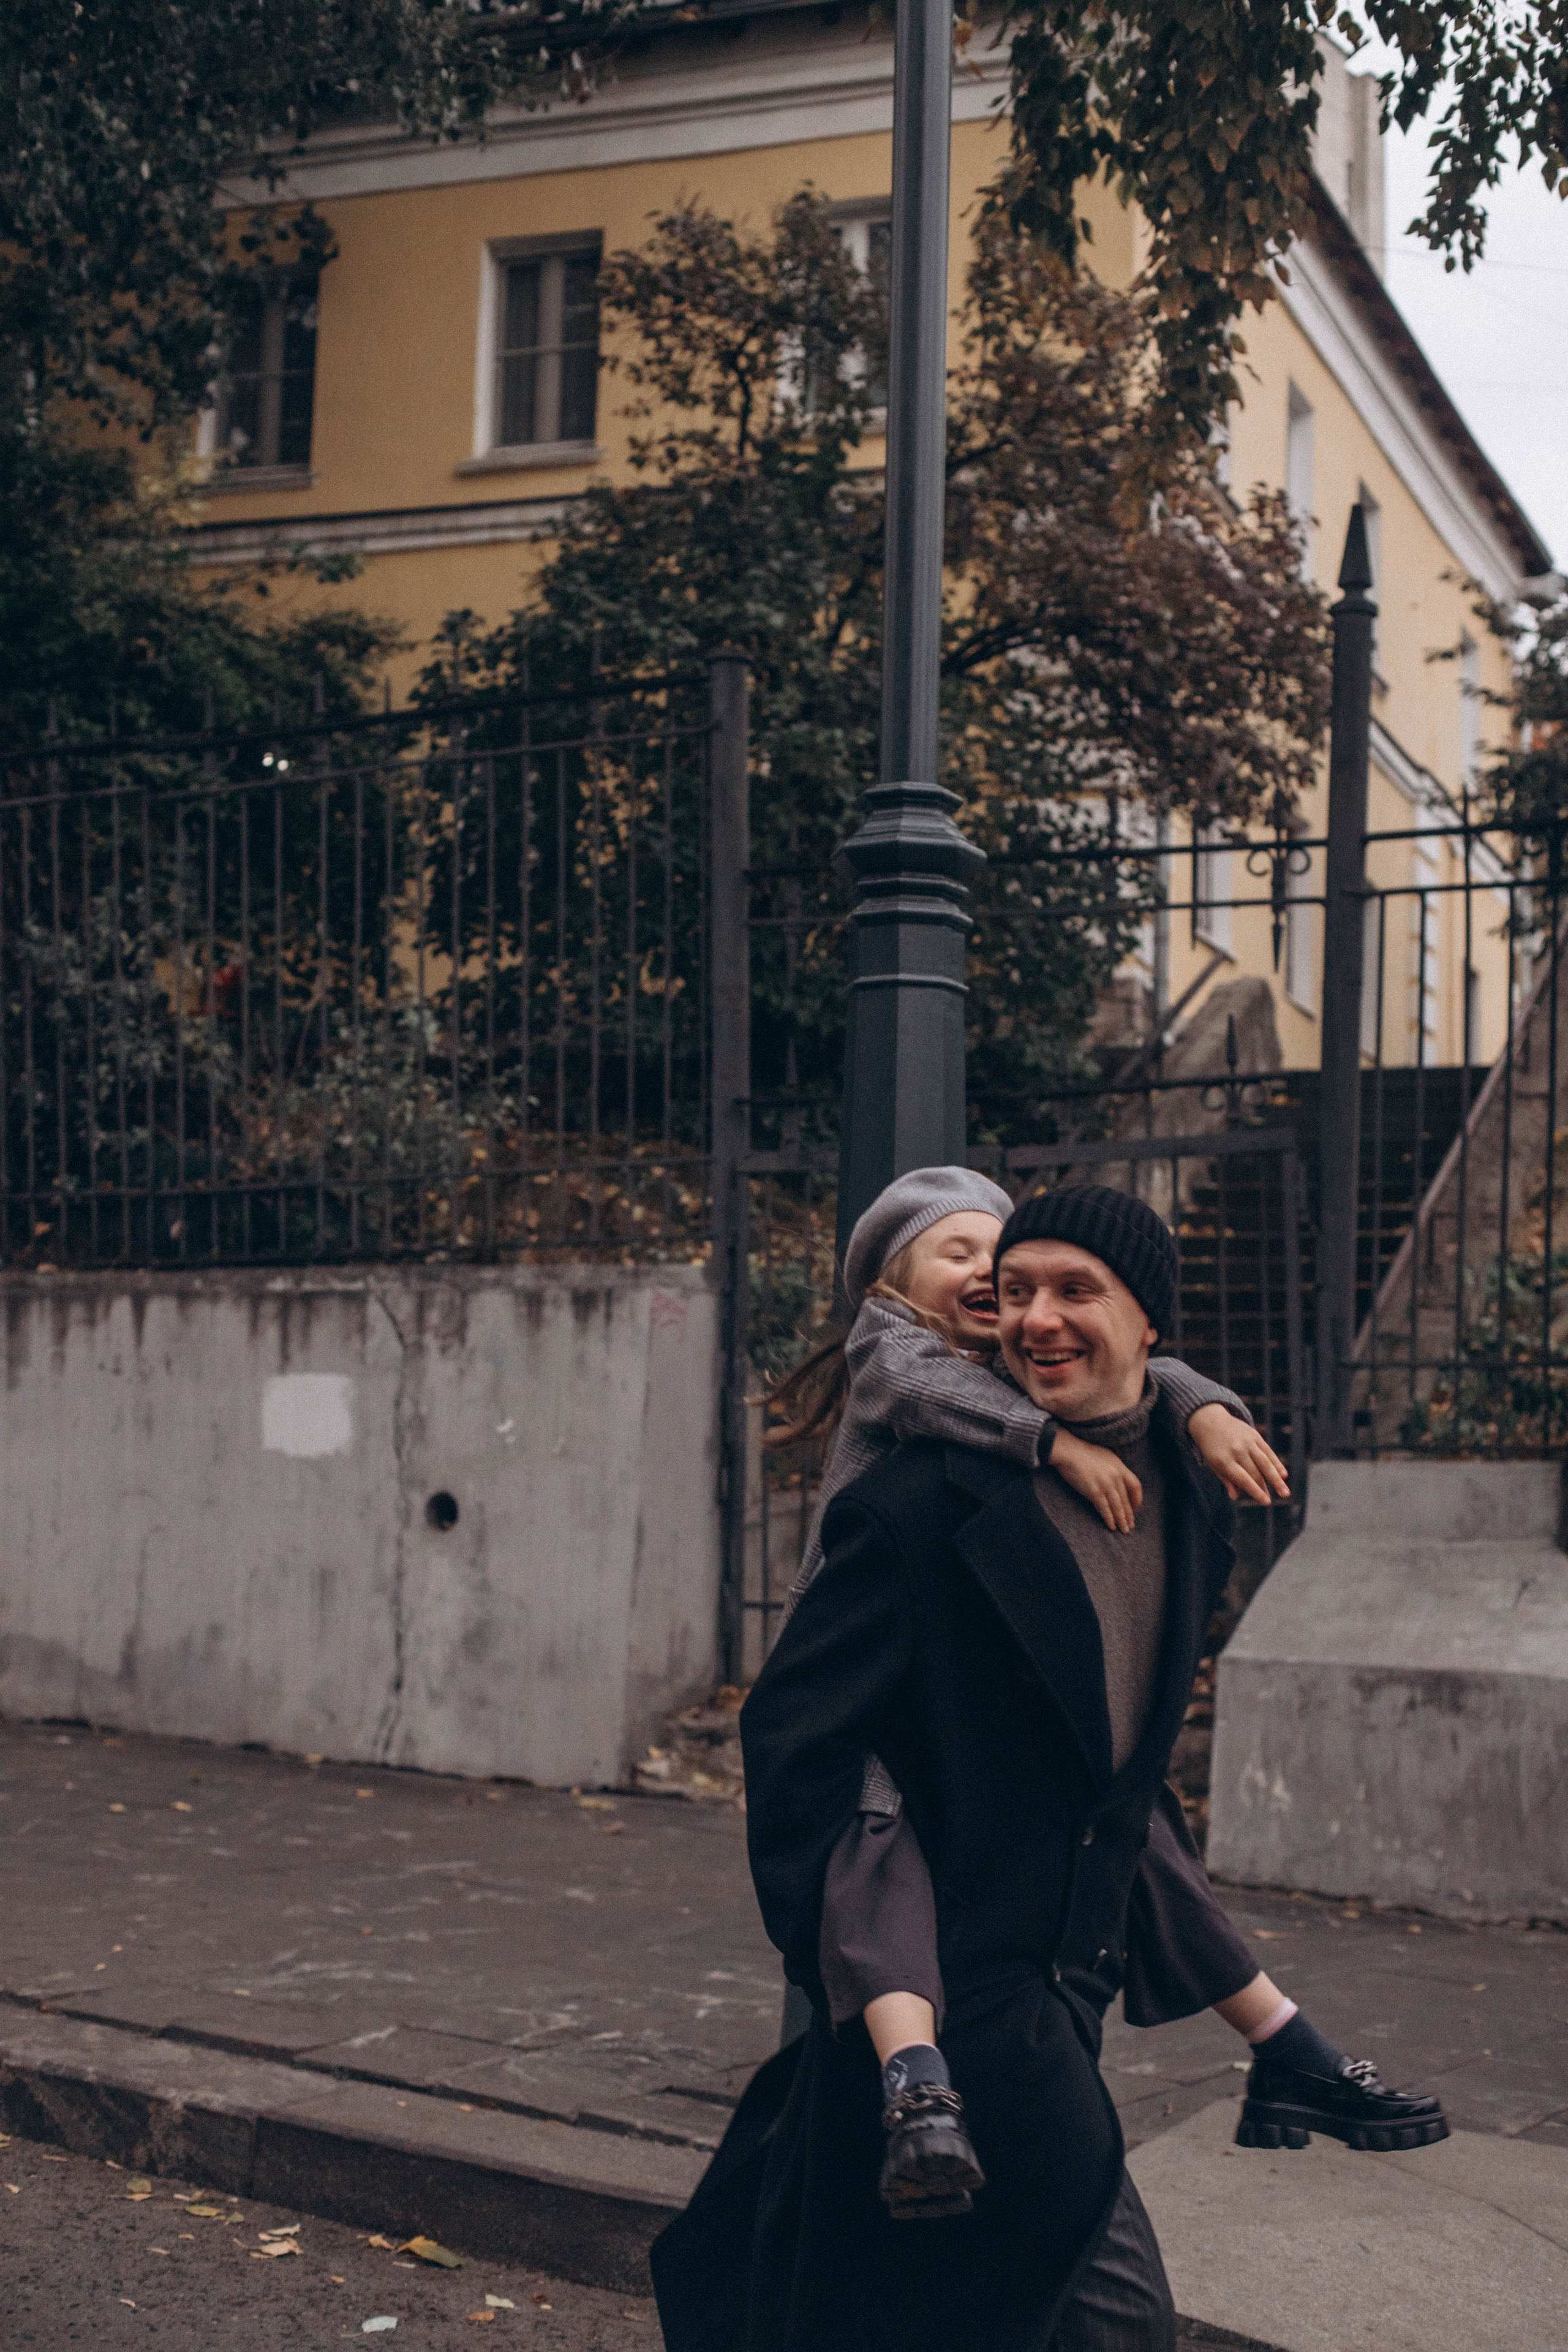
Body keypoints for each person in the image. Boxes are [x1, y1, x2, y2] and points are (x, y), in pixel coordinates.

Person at [653, 1183, 1447, 2352]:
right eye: (1013, 1290)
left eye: (1074, 1290)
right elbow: (795, 1735)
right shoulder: (921, 1495)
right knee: (1109, 2299)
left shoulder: (1185, 1493)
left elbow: (1112, 1784)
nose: (1033, 1316)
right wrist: (855, 1942)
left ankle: (1290, 2049)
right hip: (959, 1981)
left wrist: (1199, 1408)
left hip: (1069, 1972)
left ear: (1151, 1324)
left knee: (945, 2300)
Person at [766, 1167, 1298, 2219]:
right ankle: (913, 2076)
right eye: (958, 1257)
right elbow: (946, 1398)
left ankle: (1286, 2037)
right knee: (878, 1859)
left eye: (994, 1257)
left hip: (1032, 1879)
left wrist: (1197, 1409)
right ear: (894, 1284)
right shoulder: (900, 1358)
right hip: (865, 1691)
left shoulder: (1018, 1365)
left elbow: (1141, 1361)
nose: (994, 1283)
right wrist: (1051, 1443)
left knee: (1133, 1824)